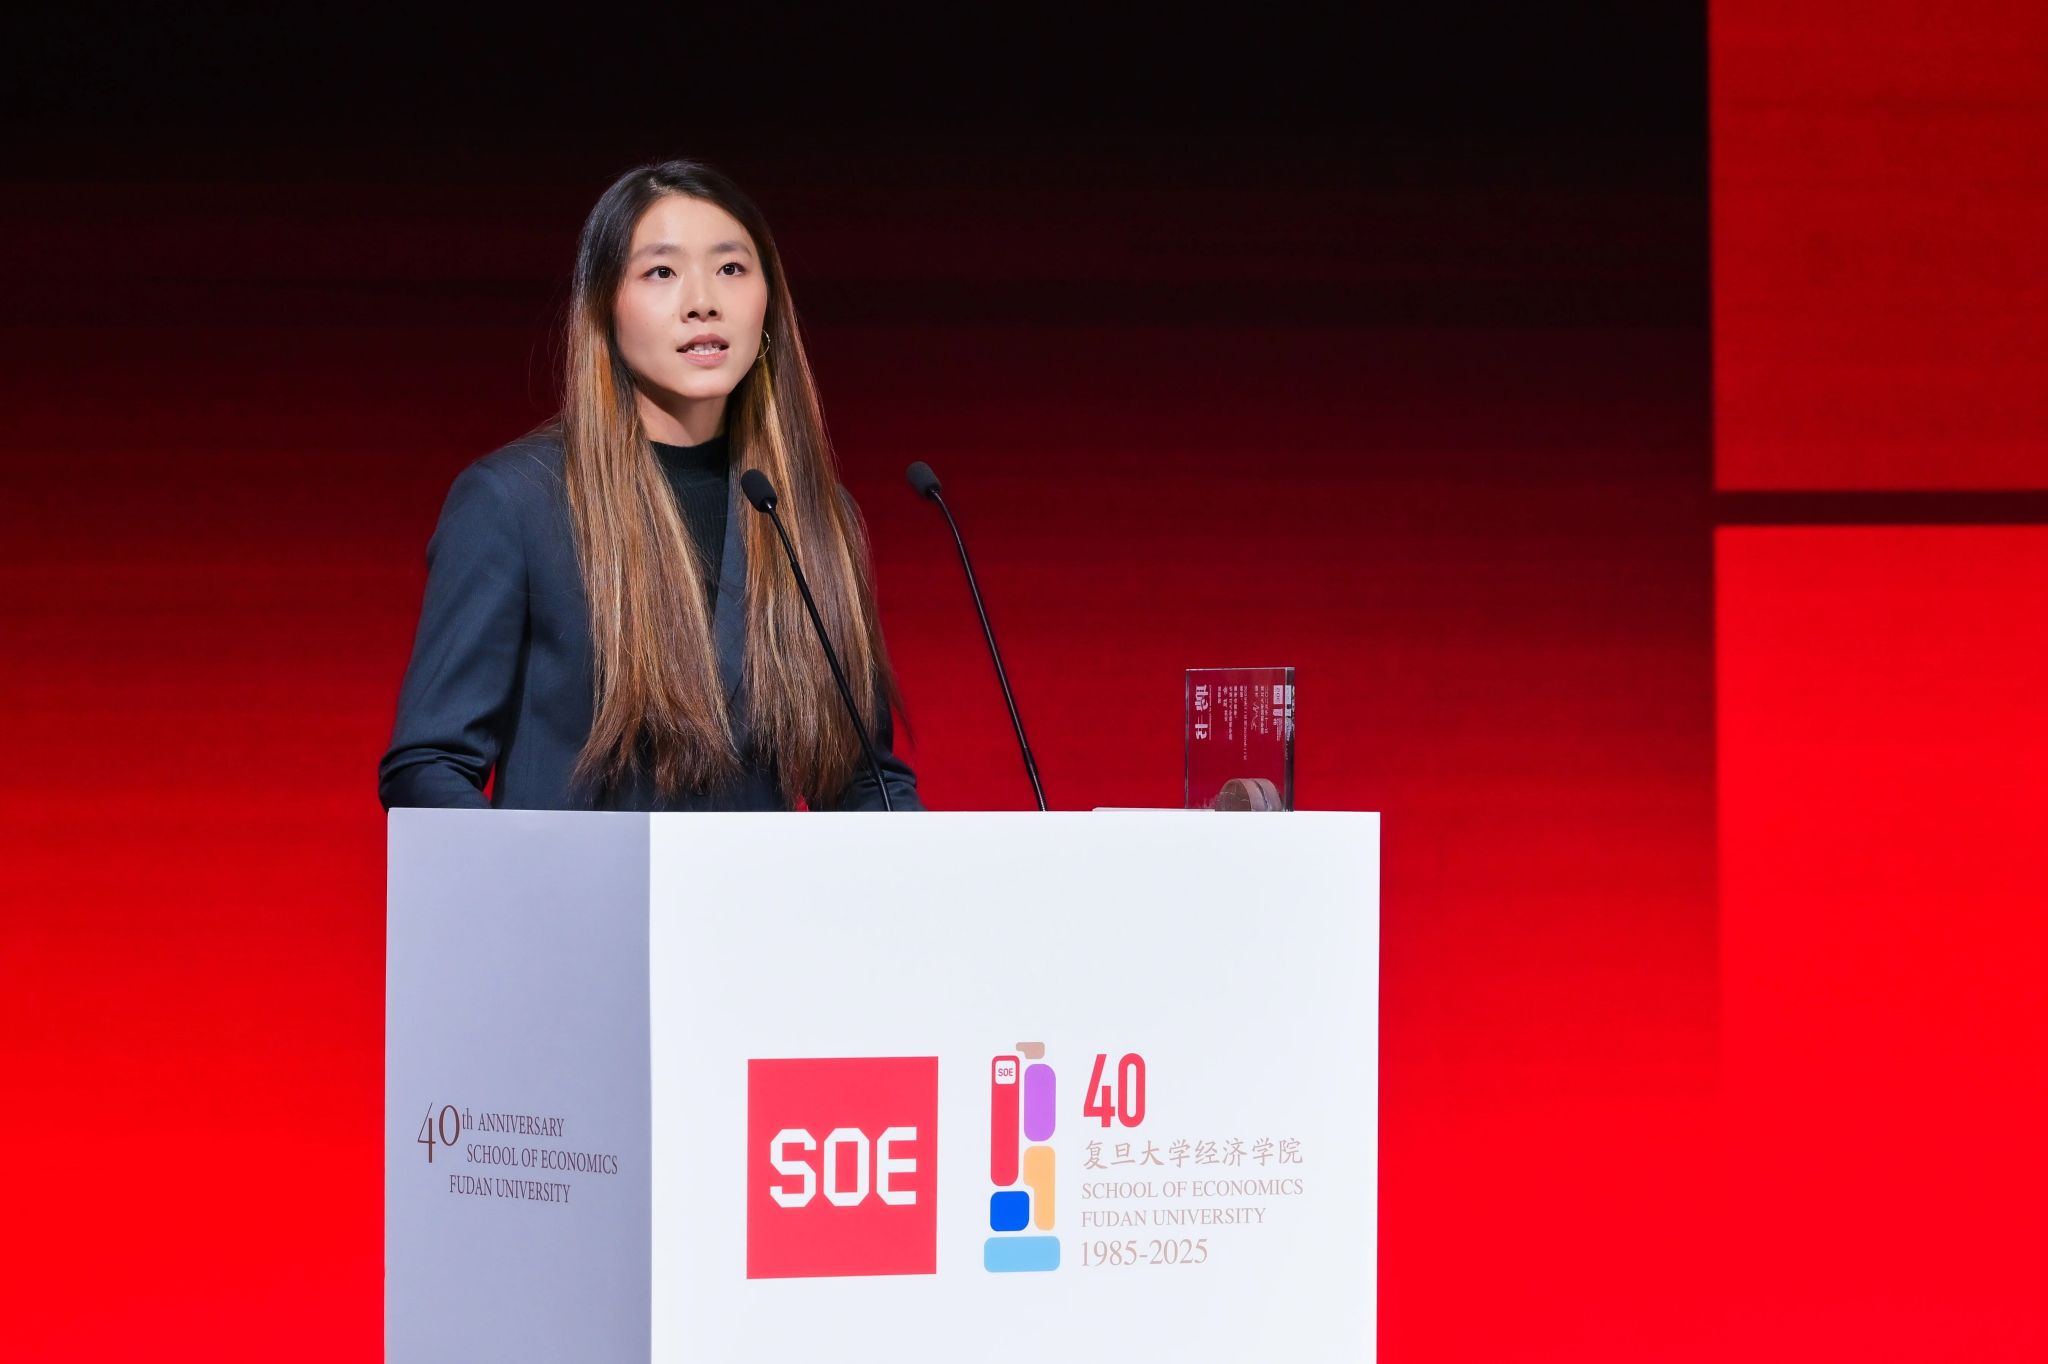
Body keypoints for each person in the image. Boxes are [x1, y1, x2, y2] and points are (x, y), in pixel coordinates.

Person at [378, 159, 920, 812]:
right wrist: (527, 869)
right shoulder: (514, 503)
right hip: (570, 883)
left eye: (731, 268)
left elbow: (863, 782)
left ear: (769, 301)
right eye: (662, 272)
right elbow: (429, 767)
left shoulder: (806, 515)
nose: (703, 301)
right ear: (604, 306)